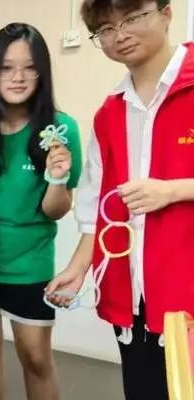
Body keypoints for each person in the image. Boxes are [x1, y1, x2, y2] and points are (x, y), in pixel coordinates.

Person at [46, 1, 194, 399]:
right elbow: (97, 206)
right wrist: (79, 267)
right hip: (135, 298)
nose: (120, 34)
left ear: (166, 13)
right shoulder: (109, 113)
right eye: (107, 28)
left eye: (132, 17)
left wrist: (174, 190)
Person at [0, 23, 83, 400]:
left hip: (31, 262)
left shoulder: (61, 129)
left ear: (42, 73)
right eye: (7, 68)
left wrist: (57, 179)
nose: (18, 77)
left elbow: (56, 211)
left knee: (36, 356)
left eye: (30, 68)